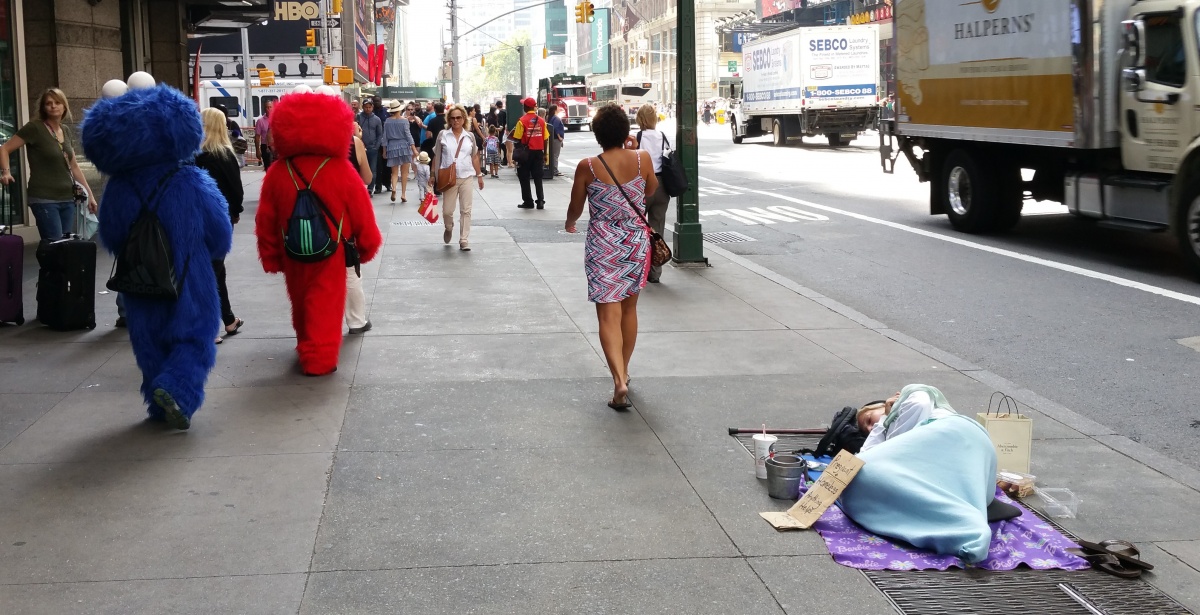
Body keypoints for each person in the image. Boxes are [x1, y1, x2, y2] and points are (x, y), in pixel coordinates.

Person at [83, 80, 233, 430]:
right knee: (195, 336)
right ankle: (177, 390)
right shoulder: (190, 179)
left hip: (139, 277)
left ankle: (158, 401)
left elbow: (111, 235)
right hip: (188, 274)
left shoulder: (118, 187)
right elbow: (219, 231)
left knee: (148, 340)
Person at [255, 92, 383, 376]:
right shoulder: (340, 170)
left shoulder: (277, 172)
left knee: (300, 299)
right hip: (332, 249)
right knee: (325, 300)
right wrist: (366, 245)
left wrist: (270, 255)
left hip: (293, 249)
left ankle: (305, 344)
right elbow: (362, 213)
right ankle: (320, 357)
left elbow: (266, 219)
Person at [564, 105, 658, 409]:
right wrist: (633, 149)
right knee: (629, 310)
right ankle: (625, 372)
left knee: (608, 314)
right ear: (624, 131)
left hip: (603, 243)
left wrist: (570, 222)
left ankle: (617, 379)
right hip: (635, 242)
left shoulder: (588, 167)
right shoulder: (642, 158)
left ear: (597, 134)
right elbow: (651, 190)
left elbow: (576, 206)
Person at [0, 88, 98, 241]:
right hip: (44, 197)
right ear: (43, 108)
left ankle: (49, 265)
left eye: (57, 102)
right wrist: (6, 171)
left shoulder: (65, 130)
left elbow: (74, 166)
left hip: (67, 198)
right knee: (55, 243)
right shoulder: (35, 128)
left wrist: (90, 195)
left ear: (64, 106)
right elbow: (4, 149)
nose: (53, 106)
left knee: (64, 246)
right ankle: (47, 265)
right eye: (48, 103)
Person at [196, 107, 246, 345]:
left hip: (196, 217)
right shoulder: (225, 156)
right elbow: (236, 190)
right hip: (220, 218)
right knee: (213, 270)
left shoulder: (193, 155)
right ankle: (211, 327)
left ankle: (227, 318)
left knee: (212, 269)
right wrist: (235, 212)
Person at [431, 104, 485, 252]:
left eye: (458, 118)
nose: (456, 121)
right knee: (447, 211)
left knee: (466, 210)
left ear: (463, 119)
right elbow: (437, 156)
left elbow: (474, 157)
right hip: (449, 178)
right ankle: (449, 228)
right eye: (453, 118)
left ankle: (464, 239)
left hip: (467, 176)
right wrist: (432, 175)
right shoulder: (443, 135)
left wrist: (479, 175)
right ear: (449, 119)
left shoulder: (470, 136)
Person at [856, 385, 959, 452]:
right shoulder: (887, 430)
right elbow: (864, 457)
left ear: (881, 406)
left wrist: (885, 418)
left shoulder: (913, 396)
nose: (870, 429)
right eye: (867, 431)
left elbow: (919, 404)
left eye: (869, 420)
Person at [634, 104, 671, 284]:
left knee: (638, 227)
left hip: (643, 185)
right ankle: (655, 273)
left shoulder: (638, 137)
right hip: (662, 185)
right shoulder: (663, 136)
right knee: (657, 229)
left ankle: (640, 268)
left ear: (640, 119)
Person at [346, 121, 373, 335]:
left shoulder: (296, 144)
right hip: (342, 217)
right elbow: (367, 178)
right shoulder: (352, 142)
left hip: (305, 219)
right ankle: (356, 320)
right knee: (349, 269)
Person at [512, 97, 549, 209]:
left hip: (526, 153)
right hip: (538, 152)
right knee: (538, 177)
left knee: (524, 177)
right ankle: (540, 201)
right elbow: (546, 138)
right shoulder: (542, 121)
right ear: (534, 107)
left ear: (525, 107)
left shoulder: (521, 121)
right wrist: (545, 154)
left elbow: (517, 138)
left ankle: (528, 202)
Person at [383, 101, 418, 203]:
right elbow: (408, 135)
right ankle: (403, 194)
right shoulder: (404, 121)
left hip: (392, 146)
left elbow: (384, 137)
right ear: (399, 110)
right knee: (404, 173)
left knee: (394, 173)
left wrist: (384, 150)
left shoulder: (387, 121)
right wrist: (414, 149)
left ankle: (394, 188)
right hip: (404, 146)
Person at [356, 99, 384, 193]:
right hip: (360, 147)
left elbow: (380, 134)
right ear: (363, 107)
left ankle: (370, 188)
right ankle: (360, 187)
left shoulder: (377, 119)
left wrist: (376, 146)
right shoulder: (358, 117)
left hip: (372, 148)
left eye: (369, 107)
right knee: (359, 168)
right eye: (366, 107)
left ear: (372, 107)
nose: (368, 109)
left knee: (373, 169)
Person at [254, 98, 276, 169]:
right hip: (265, 147)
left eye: (270, 107)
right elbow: (257, 136)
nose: (268, 109)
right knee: (268, 167)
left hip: (275, 146)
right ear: (264, 108)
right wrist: (257, 150)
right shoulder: (260, 121)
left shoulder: (277, 119)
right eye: (267, 107)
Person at [547, 104, 566, 177]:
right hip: (556, 139)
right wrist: (559, 137)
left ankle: (553, 169)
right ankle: (555, 170)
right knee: (555, 155)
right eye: (558, 108)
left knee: (553, 154)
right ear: (555, 110)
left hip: (552, 138)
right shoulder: (556, 118)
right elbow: (555, 128)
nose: (559, 109)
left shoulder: (551, 117)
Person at [494, 100, 508, 166]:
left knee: (501, 144)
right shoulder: (506, 111)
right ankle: (506, 158)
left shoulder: (500, 113)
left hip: (502, 131)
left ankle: (505, 159)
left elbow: (500, 124)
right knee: (506, 145)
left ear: (496, 106)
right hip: (507, 130)